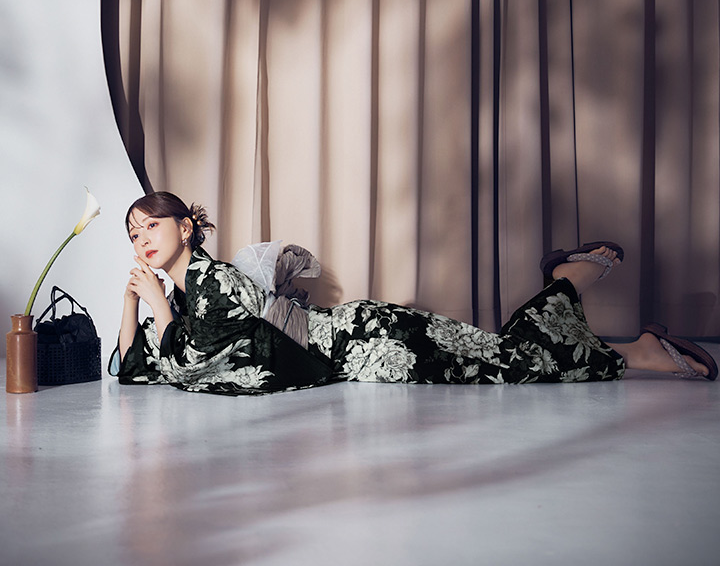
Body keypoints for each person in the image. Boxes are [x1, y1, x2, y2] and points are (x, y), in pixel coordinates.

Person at [110, 191, 717, 395]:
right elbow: (134, 367)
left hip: (363, 339)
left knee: (503, 362)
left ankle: (597, 315)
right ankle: (585, 303)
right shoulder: (184, 300)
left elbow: (198, 359)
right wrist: (136, 301)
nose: (142, 240)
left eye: (151, 226)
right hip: (356, 352)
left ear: (185, 228)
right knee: (501, 357)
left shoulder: (210, 280)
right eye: (133, 234)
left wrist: (159, 308)